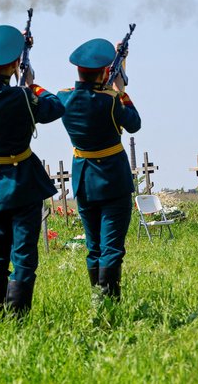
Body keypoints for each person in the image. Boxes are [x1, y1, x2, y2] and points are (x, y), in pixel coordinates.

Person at [0, 25, 64, 316]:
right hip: (22, 182)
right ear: (14, 64)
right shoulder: (23, 97)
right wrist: (32, 82)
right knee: (23, 258)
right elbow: (55, 107)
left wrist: (17, 61)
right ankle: (17, 320)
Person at [57, 38, 141, 302]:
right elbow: (135, 124)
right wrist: (121, 90)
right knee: (112, 248)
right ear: (105, 72)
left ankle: (98, 299)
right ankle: (109, 304)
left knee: (93, 247)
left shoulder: (63, 98)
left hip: (84, 180)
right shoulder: (113, 100)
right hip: (113, 181)